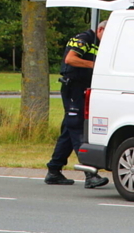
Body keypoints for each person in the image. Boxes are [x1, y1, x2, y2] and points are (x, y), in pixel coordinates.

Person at [45, 19, 110, 188]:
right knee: (76, 125)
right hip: (73, 87)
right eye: (108, 34)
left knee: (69, 129)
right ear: (100, 29)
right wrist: (96, 65)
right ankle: (90, 174)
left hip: (84, 89)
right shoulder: (84, 39)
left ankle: (54, 170)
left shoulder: (102, 42)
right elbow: (70, 59)